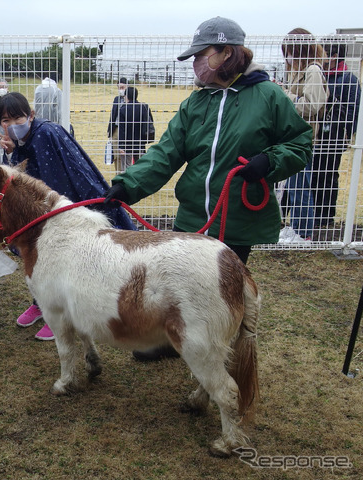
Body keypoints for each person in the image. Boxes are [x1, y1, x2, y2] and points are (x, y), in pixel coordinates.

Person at [103, 17, 313, 360]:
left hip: (239, 220)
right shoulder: (196, 104)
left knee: (218, 291)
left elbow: (300, 143)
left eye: (202, 54)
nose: (196, 64)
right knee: (181, 285)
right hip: (192, 220)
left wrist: (270, 161)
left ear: (226, 53)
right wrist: (127, 184)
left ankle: (215, 345)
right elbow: (166, 152)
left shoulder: (269, 96)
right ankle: (174, 339)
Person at [0, 92, 136, 341]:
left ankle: (63, 314)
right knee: (41, 262)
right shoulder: (20, 141)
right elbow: (21, 178)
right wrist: (11, 152)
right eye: (5, 120)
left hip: (64, 208)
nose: (12, 124)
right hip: (40, 213)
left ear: (31, 115)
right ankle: (42, 304)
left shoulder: (48, 133)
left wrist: (85, 206)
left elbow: (74, 171)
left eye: (17, 117)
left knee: (65, 263)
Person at [278, 28, 328, 241]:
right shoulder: (298, 71)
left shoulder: (313, 71)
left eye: (291, 52)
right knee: (294, 186)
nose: (288, 57)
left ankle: (304, 233)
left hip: (305, 137)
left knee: (301, 187)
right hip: (293, 136)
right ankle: (296, 227)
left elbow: (312, 105)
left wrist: (286, 94)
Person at [311, 37, 361, 227]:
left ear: (334, 56)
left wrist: (345, 132)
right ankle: (309, 217)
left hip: (334, 137)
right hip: (314, 135)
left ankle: (325, 219)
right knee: (312, 175)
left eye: (323, 53)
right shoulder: (318, 75)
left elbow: (354, 110)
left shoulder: (348, 79)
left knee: (328, 175)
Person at [116, 86, 155, 171]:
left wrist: (121, 146)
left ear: (126, 96)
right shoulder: (144, 107)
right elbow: (150, 122)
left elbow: (121, 130)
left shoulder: (123, 109)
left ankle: (127, 183)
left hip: (127, 143)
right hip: (140, 142)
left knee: (126, 167)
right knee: (140, 166)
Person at [106, 77, 128, 168]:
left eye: (122, 88)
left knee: (126, 155)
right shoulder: (116, 99)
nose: (120, 90)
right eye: (119, 88)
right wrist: (109, 130)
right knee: (116, 155)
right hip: (116, 129)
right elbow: (113, 115)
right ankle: (118, 175)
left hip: (127, 130)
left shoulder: (131, 100)